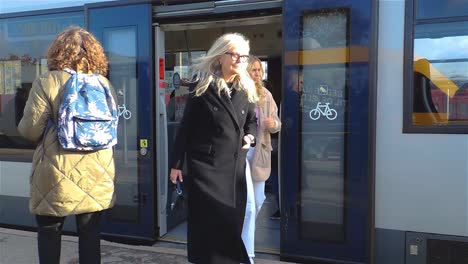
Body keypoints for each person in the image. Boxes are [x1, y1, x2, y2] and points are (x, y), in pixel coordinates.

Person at [17, 26, 116, 264]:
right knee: (90, 234)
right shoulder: (103, 83)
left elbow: (30, 131)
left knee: (50, 232)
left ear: (57, 52)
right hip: (97, 171)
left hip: (55, 170)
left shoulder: (47, 82)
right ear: (94, 54)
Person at [169, 32, 257, 264]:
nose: (241, 61)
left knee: (232, 220)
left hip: (235, 169)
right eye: (236, 55)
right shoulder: (202, 87)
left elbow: (252, 122)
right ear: (221, 57)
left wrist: (251, 136)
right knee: (209, 224)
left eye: (244, 57)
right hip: (205, 168)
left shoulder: (247, 88)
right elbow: (186, 128)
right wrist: (176, 164)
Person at [242, 56, 281, 262]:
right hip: (242, 153)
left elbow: (277, 123)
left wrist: (271, 123)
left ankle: (242, 234)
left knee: (258, 200)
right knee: (248, 204)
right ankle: (247, 253)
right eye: (253, 69)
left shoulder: (266, 94)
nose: (257, 73)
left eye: (259, 70)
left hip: (260, 153)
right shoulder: (239, 92)